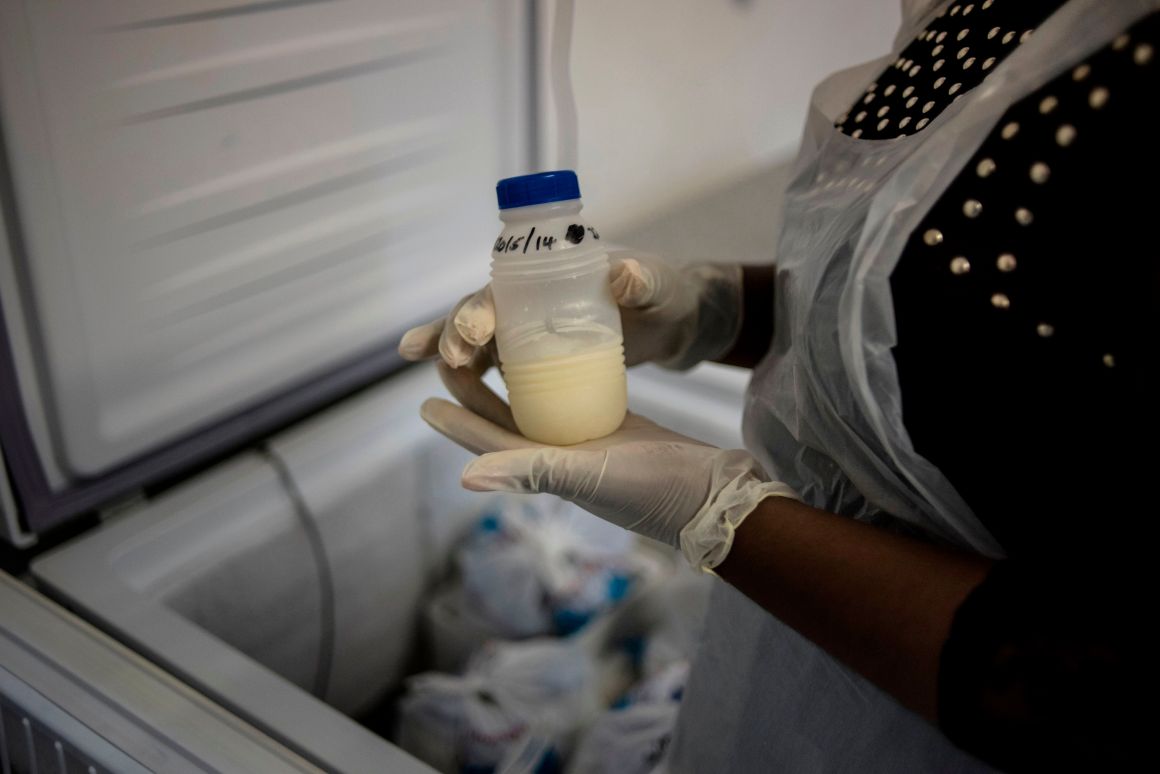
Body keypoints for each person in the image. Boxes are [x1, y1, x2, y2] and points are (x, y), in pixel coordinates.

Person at [400, 0, 1155, 770]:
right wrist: (714, 310)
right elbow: (930, 318)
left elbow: (1110, 691)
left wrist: (720, 513)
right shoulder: (977, 14)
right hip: (776, 657)